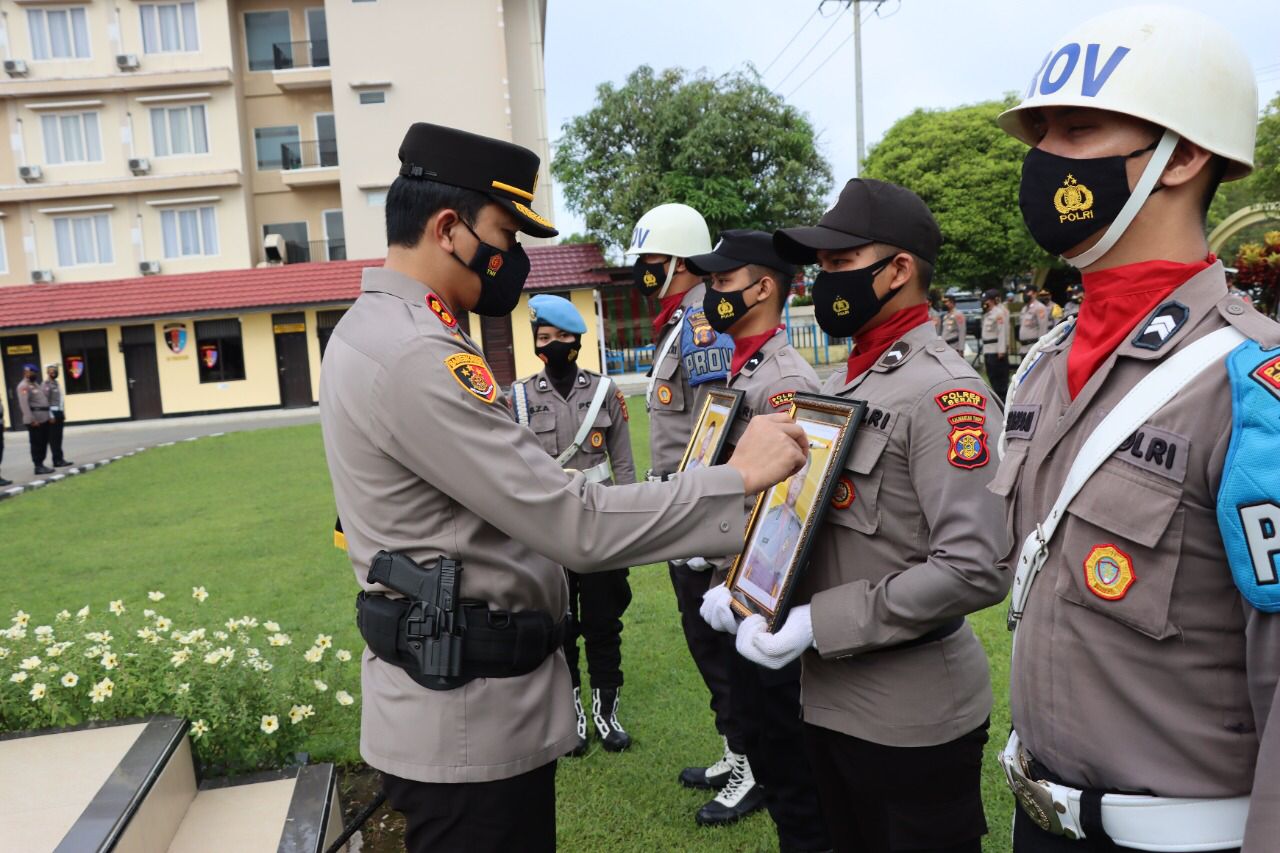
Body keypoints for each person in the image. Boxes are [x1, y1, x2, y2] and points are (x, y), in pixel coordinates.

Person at [319, 121, 808, 852]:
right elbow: (575, 524)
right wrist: (737, 479)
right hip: (466, 724)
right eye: (505, 233)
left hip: (461, 700)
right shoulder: (418, 352)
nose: (514, 256)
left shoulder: (382, 328)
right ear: (449, 229)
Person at [992, 7, 1280, 851]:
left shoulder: (1250, 381)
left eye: (1077, 129)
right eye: (1039, 131)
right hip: (1037, 818)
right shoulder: (1048, 364)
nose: (1045, 157)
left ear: (1184, 154)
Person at [731, 177, 1011, 853]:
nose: (820, 281)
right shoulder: (845, 382)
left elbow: (977, 566)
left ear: (899, 270)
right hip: (830, 698)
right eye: (819, 266)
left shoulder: (945, 393)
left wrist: (816, 621)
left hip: (911, 712)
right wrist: (746, 581)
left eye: (839, 264)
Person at [683, 230, 830, 848]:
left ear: (763, 287)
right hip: (730, 584)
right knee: (760, 737)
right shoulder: (741, 362)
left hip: (762, 596)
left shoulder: (785, 378)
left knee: (788, 759)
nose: (710, 294)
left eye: (721, 282)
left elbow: (792, 504)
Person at [625, 204, 748, 795]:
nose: (643, 272)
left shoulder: (701, 321)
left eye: (650, 261)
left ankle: (751, 764)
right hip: (681, 507)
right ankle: (735, 749)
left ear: (679, 261)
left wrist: (704, 522)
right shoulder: (678, 322)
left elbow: (715, 425)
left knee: (722, 647)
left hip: (700, 513)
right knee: (702, 640)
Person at [511, 293, 637, 755]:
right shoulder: (519, 399)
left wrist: (627, 530)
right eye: (544, 337)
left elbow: (623, 467)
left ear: (578, 342)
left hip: (601, 527)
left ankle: (607, 715)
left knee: (604, 623)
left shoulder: (606, 392)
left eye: (563, 337)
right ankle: (573, 716)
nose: (554, 345)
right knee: (560, 627)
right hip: (549, 534)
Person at [16, 364, 53, 476]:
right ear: (26, 372)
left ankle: (41, 464)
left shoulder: (35, 384)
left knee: (43, 442)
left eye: (35, 373)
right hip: (35, 420)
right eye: (32, 373)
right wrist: (31, 419)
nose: (34, 375)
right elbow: (24, 405)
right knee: (37, 443)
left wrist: (49, 416)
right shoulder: (23, 386)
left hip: (43, 418)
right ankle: (38, 466)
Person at [981, 288, 1011, 401]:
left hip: (996, 351)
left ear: (993, 300)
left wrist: (1001, 350)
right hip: (988, 350)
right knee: (992, 379)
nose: (984, 303)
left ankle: (1003, 405)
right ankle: (999, 402)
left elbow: (1002, 332)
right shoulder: (987, 314)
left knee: (1000, 382)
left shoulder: (999, 313)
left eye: (987, 300)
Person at [42, 363, 72, 468]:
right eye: (52, 371)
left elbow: (61, 400)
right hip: (52, 414)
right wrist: (50, 416)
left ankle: (60, 458)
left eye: (55, 371)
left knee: (59, 438)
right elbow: (45, 402)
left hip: (59, 412)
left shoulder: (56, 383)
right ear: (47, 372)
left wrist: (63, 412)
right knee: (54, 438)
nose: (54, 372)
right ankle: (57, 460)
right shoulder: (46, 384)